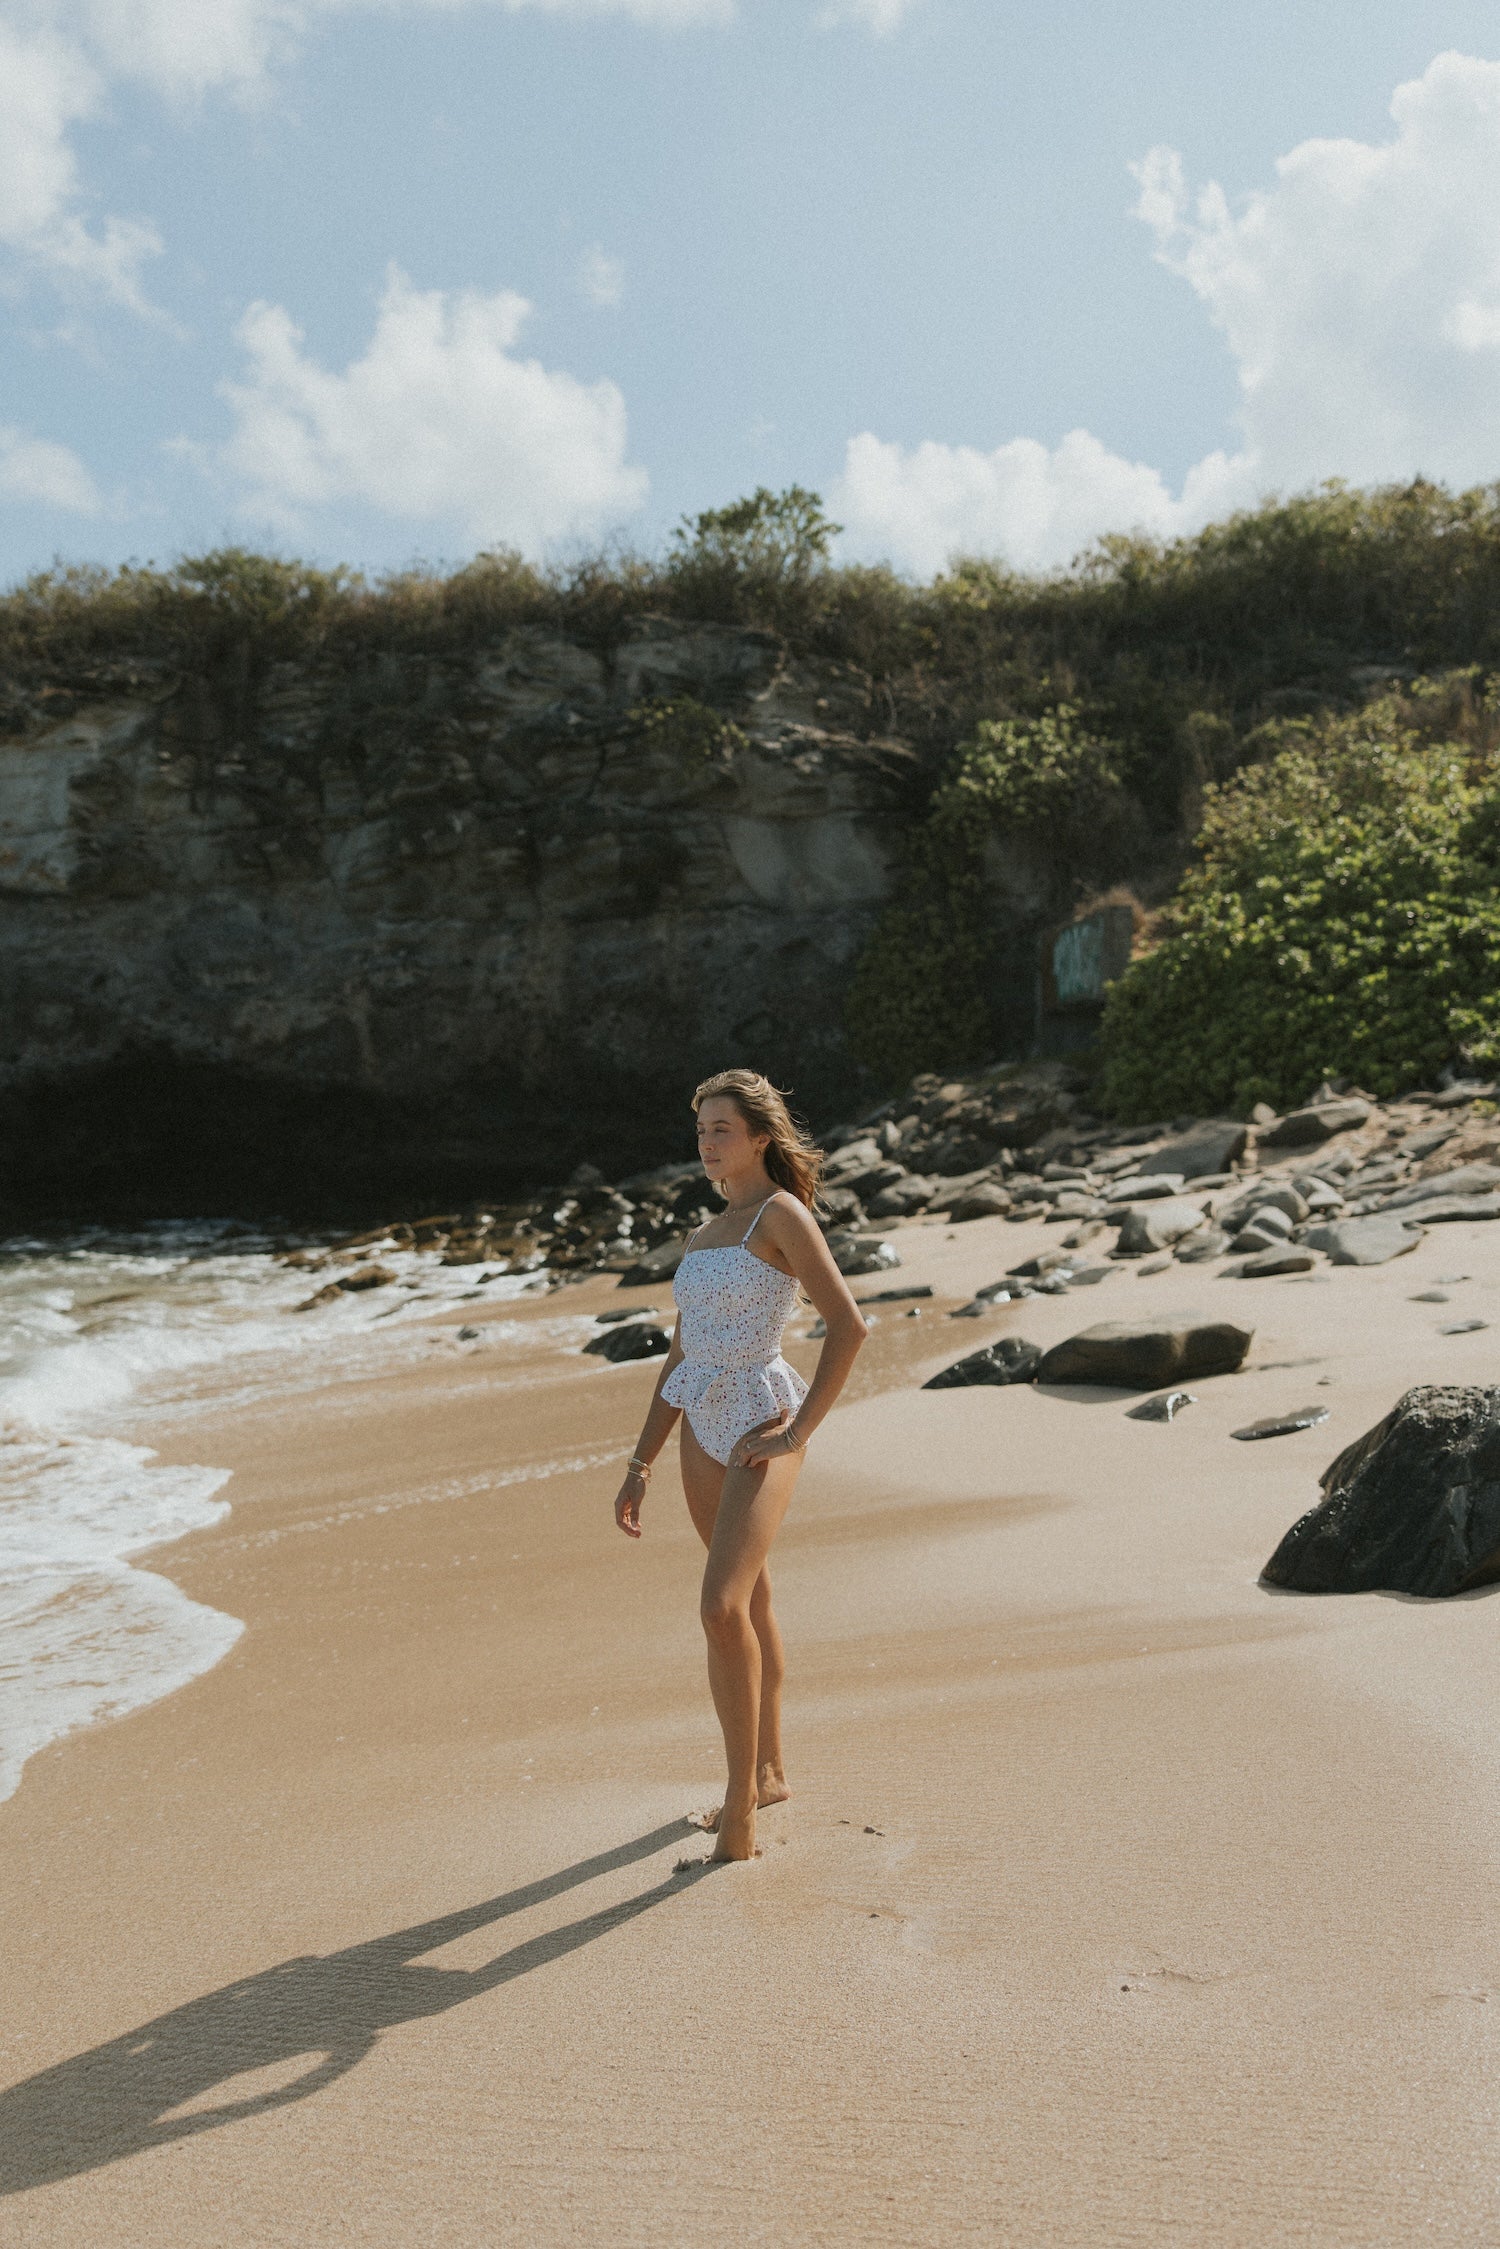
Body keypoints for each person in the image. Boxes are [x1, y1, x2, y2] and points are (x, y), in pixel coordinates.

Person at [613, 1070, 869, 1862]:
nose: (707, 1143)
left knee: (719, 1607)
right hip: (700, 1421)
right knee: (751, 1602)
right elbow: (681, 1349)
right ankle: (767, 1774)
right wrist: (640, 1460)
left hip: (762, 1414)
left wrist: (798, 1433)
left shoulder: (779, 1213)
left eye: (721, 1128)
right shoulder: (702, 1234)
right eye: (700, 1131)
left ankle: (739, 1814)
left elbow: (848, 1325)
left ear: (760, 1136)